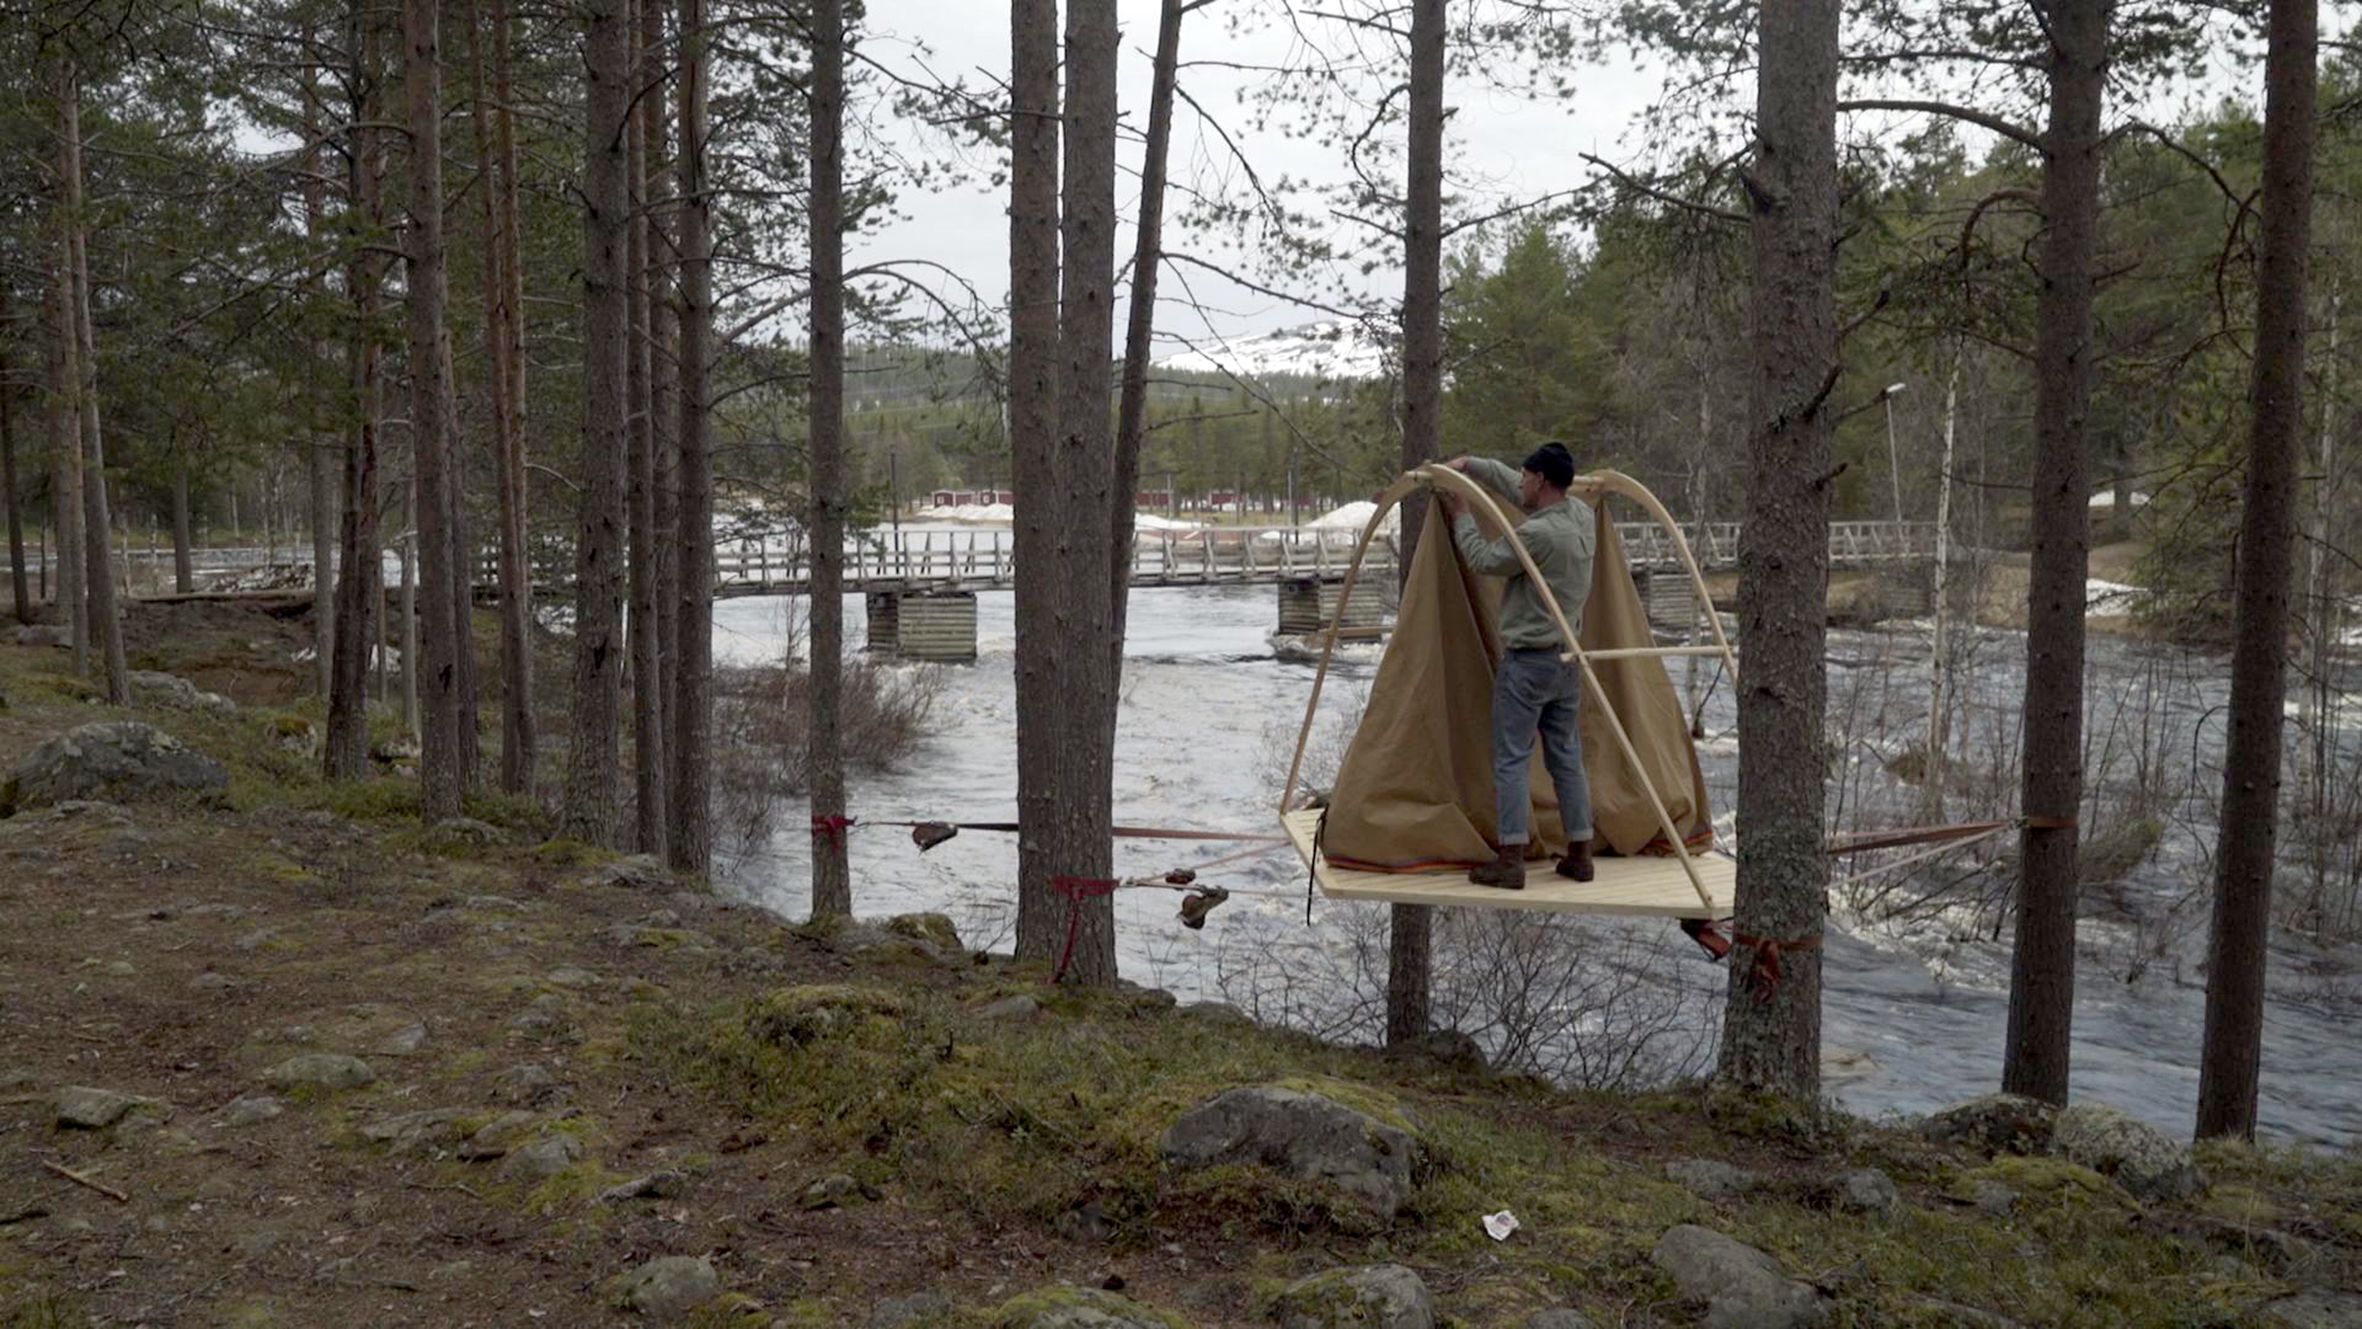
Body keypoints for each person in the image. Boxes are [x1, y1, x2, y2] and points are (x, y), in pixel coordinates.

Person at [1437, 443, 1596, 890]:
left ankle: (1511, 859)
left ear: (1541, 480)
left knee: (1511, 759)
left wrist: (1462, 514)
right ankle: (1580, 854)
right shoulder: (1582, 516)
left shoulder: (1537, 535)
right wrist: (1471, 463)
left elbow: (1485, 560)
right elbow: (1514, 487)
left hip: (1529, 663)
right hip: (1567, 658)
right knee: (1567, 757)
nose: (1519, 482)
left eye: (1526, 476)